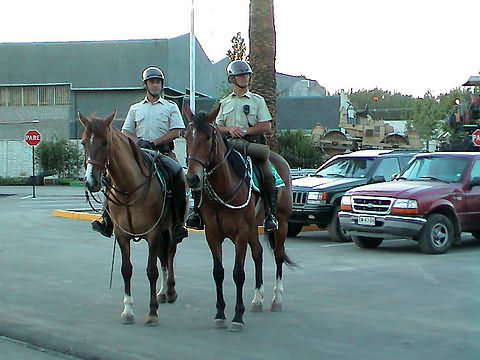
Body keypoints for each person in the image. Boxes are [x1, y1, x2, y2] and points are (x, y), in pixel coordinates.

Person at [92, 66, 188, 243]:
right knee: (111, 177)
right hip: (139, 153)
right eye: (152, 82)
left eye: (158, 82)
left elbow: (177, 130)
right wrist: (137, 143)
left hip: (162, 153)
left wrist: (155, 142)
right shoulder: (135, 108)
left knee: (178, 175)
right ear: (146, 84)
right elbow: (126, 131)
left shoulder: (170, 106)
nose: (155, 85)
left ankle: (178, 223)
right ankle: (106, 219)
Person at [185, 60, 278, 232]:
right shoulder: (224, 102)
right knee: (202, 172)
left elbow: (266, 125)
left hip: (250, 145)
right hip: (227, 146)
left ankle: (270, 214)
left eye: (246, 75)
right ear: (232, 79)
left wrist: (245, 131)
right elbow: (215, 126)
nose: (244, 78)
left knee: (267, 171)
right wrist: (229, 129)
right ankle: (197, 213)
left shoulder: (257, 100)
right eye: (240, 75)